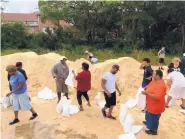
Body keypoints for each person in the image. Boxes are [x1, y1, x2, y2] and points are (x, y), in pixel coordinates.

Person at [142, 70, 166, 135]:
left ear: (157, 76)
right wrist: (145, 89)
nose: (152, 75)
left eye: (153, 74)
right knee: (148, 115)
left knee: (154, 118)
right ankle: (148, 122)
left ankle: (153, 131)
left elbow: (156, 97)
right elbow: (148, 86)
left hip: (156, 106)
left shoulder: (161, 85)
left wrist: (147, 93)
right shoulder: (154, 81)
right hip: (150, 104)